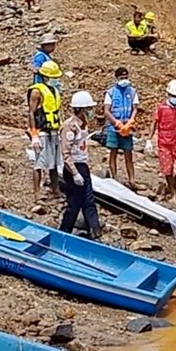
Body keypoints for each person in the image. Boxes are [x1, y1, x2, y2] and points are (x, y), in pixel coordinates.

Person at [61, 91, 101, 238]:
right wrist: (75, 173)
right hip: (74, 168)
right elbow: (66, 153)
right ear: (81, 109)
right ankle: (64, 232)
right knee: (74, 204)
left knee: (89, 200)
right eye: (88, 109)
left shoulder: (83, 125)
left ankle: (95, 230)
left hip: (83, 166)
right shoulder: (69, 127)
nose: (91, 112)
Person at [146, 79, 176, 201]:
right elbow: (154, 123)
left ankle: (172, 183)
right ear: (169, 95)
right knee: (167, 168)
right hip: (165, 143)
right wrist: (149, 140)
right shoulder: (161, 108)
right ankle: (173, 192)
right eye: (174, 96)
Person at [28, 60, 64, 199]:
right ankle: (37, 193)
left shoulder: (54, 91)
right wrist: (34, 134)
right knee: (40, 163)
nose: (56, 81)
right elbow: (31, 112)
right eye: (54, 78)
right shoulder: (36, 91)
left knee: (54, 163)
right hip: (42, 131)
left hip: (53, 130)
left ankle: (55, 189)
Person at [103, 66, 140, 187]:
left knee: (128, 153)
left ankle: (132, 180)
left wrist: (131, 121)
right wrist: (116, 123)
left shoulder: (132, 92)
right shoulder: (111, 92)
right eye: (121, 78)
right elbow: (107, 111)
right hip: (114, 128)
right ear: (117, 78)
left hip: (127, 128)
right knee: (113, 153)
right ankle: (114, 178)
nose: (124, 80)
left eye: (126, 77)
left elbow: (135, 109)